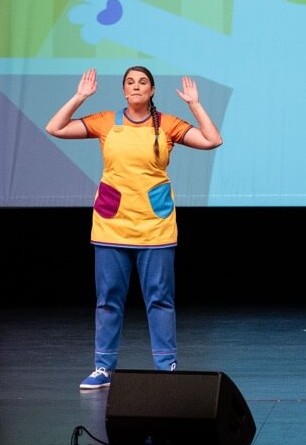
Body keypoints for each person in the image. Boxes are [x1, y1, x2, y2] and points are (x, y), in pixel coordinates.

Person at [45, 66, 223, 389]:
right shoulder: (105, 121)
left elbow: (213, 139)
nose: (136, 86)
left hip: (155, 226)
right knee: (108, 299)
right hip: (111, 225)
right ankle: (103, 368)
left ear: (152, 90)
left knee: (160, 300)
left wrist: (195, 104)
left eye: (143, 82)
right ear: (124, 91)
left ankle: (166, 368)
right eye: (130, 82)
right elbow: (54, 127)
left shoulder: (167, 124)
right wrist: (80, 97)